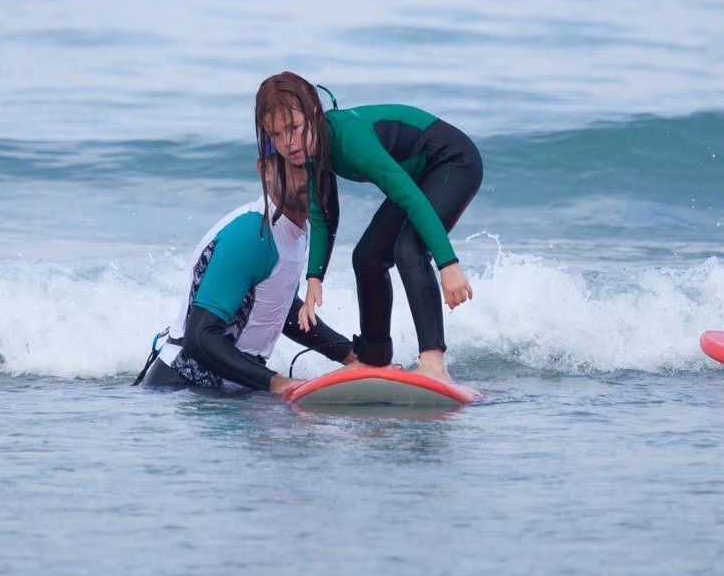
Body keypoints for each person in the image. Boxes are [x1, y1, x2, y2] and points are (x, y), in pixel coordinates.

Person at [254, 71, 482, 382]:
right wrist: (314, 279)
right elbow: (323, 215)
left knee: (408, 249)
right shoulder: (308, 150)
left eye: (293, 128)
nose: (287, 143)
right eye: (276, 135)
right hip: (416, 176)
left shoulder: (350, 139)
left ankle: (434, 362)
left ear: (314, 113)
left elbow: (408, 195)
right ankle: (374, 359)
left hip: (452, 162)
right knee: (368, 257)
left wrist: (448, 263)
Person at [137, 157, 355, 394]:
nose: (309, 177)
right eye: (296, 167)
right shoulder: (253, 233)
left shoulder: (294, 230)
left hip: (231, 390)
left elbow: (280, 307)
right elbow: (199, 338)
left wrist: (347, 354)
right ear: (266, 171)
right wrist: (277, 382)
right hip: (184, 392)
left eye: (315, 167)